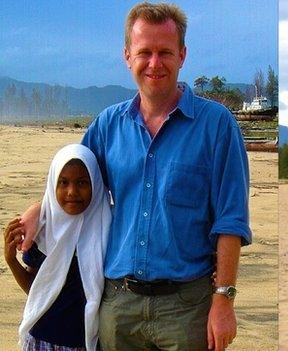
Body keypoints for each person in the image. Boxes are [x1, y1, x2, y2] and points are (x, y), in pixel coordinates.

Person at [18, 3, 251, 351]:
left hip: (186, 308)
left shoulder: (217, 126)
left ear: (182, 55)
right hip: (117, 306)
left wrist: (224, 300)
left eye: (165, 52)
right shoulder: (107, 125)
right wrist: (39, 209)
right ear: (128, 56)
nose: (154, 63)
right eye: (145, 52)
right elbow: (73, 183)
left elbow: (231, 220)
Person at [4, 144, 111, 351]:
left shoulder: (106, 231)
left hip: (87, 342)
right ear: (53, 184)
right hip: (41, 338)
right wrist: (11, 260)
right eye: (63, 182)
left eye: (82, 183)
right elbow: (37, 290)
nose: (72, 192)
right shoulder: (43, 232)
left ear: (96, 185)